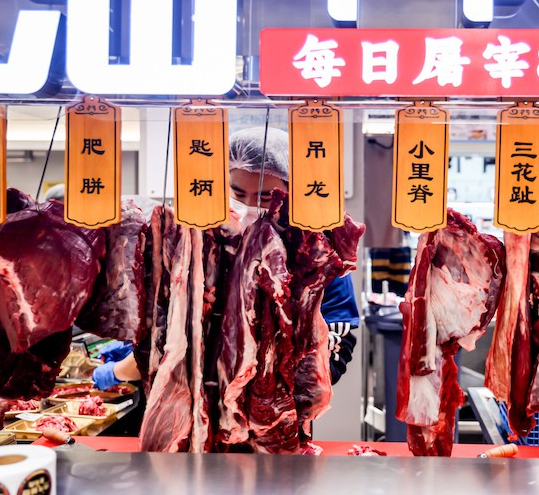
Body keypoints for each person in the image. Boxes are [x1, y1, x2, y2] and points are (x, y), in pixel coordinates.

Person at [93, 127, 360, 390]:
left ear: (290, 193)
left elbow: (338, 345)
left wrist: (271, 375)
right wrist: (131, 356)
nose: (249, 206)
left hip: (276, 406)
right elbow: (165, 325)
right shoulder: (199, 244)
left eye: (265, 197)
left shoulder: (316, 256)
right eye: (238, 194)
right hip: (193, 403)